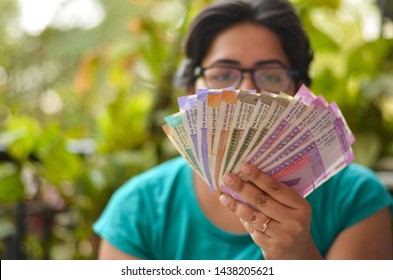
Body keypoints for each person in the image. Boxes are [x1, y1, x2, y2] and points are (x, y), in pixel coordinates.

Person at [93, 0, 393, 259]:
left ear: (299, 94)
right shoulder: (136, 209)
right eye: (223, 74)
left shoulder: (356, 198)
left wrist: (298, 258)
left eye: (271, 76)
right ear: (190, 89)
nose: (247, 91)